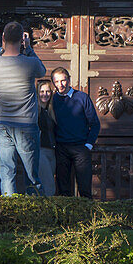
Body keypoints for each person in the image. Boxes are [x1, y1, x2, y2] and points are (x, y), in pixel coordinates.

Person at [0, 21, 46, 196]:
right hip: (26, 124)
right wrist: (29, 48)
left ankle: (10, 214)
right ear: (22, 39)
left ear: (3, 38)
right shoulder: (30, 63)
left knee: (7, 174)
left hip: (2, 124)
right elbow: (42, 70)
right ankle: (35, 214)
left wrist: (1, 50)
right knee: (32, 176)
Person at [50, 67, 100, 198]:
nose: (60, 84)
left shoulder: (82, 97)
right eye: (57, 81)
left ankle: (88, 217)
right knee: (63, 190)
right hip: (61, 148)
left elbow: (95, 123)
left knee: (84, 189)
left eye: (63, 80)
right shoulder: (53, 100)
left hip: (80, 148)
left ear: (69, 80)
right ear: (53, 83)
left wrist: (88, 144)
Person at [35, 79, 57, 197]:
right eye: (42, 91)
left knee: (47, 183)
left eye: (48, 91)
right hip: (40, 151)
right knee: (48, 185)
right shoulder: (34, 111)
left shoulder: (51, 111)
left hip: (52, 151)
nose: (45, 94)